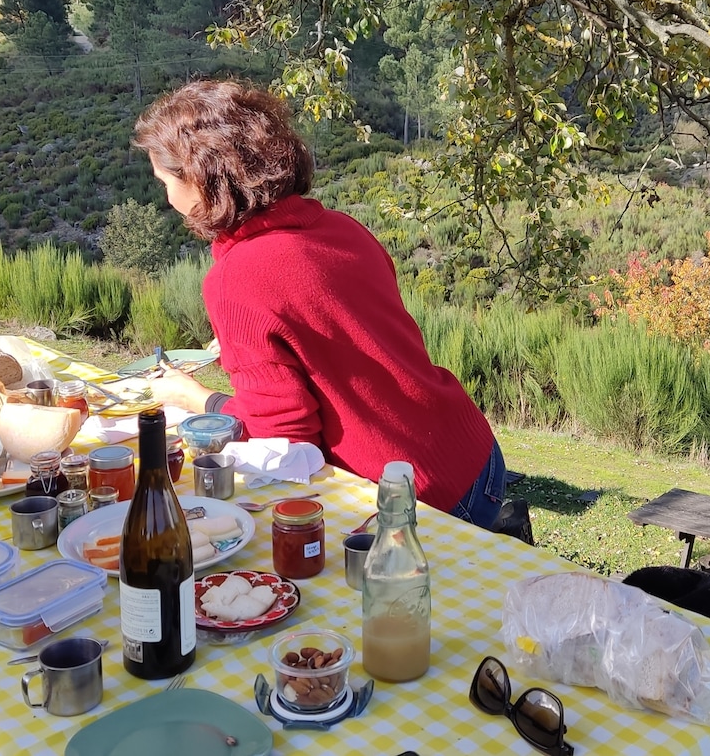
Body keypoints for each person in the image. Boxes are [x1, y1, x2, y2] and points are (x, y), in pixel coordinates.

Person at [133, 79, 507, 529]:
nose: (168, 198)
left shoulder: (237, 279)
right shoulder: (340, 227)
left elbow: (286, 444)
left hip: (414, 496)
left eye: (165, 181)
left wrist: (200, 400)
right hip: (472, 453)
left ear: (201, 180)